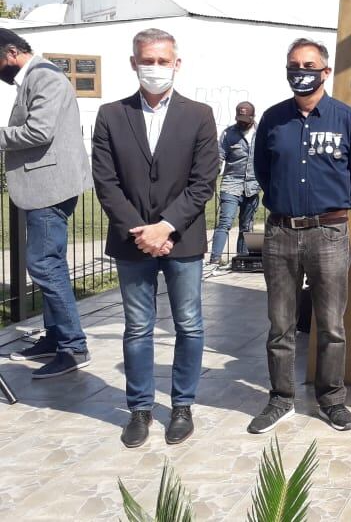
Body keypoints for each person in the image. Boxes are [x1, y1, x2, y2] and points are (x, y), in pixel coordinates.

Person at [92, 29, 219, 448]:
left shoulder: (198, 114)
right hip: (133, 242)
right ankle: (140, 410)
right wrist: (141, 231)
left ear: (177, 64)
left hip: (181, 239)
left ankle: (181, 406)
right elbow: (106, 182)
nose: (156, 67)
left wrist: (165, 227)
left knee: (189, 324)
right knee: (138, 327)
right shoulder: (111, 115)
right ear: (133, 62)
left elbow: (204, 181)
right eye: (148, 59)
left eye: (164, 61)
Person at [247, 38, 351, 435]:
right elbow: (264, 171)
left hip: (329, 234)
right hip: (281, 233)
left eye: (308, 64)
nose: (300, 71)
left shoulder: (346, 119)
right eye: (293, 65)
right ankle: (281, 398)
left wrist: (334, 208)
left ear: (325, 71)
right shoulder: (272, 119)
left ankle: (332, 399)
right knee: (280, 324)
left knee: (331, 324)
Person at [0, 29, 93, 379]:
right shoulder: (35, 78)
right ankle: (56, 337)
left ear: (11, 52)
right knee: (51, 262)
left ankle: (73, 346)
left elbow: (39, 132)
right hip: (46, 185)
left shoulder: (45, 78)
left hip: (50, 188)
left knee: (43, 263)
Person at [208, 102, 260, 265]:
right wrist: (211, 176)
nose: (242, 122)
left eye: (246, 119)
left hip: (252, 186)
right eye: (239, 118)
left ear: (253, 117)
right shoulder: (228, 133)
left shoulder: (262, 133)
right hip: (231, 185)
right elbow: (219, 157)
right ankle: (215, 259)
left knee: (246, 226)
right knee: (225, 222)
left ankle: (242, 259)